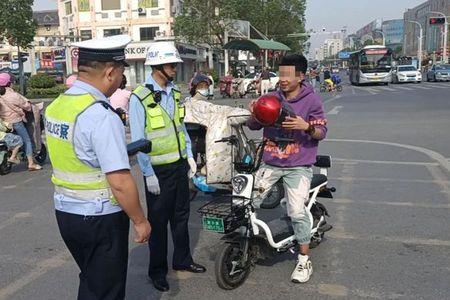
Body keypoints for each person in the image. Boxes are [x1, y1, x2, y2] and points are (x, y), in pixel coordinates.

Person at [44, 35, 151, 300]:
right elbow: (119, 181)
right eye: (121, 72)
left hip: (66, 212)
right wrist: (140, 221)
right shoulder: (101, 115)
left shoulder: (57, 106)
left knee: (92, 280)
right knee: (106, 290)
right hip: (99, 217)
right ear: (110, 72)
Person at [129, 41, 206, 293]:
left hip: (178, 165)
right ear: (158, 66)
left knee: (181, 216)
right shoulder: (139, 97)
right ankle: (157, 272)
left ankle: (182, 260)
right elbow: (139, 140)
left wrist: (189, 156)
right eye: (172, 64)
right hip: (158, 172)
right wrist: (147, 174)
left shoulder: (174, 92)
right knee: (159, 223)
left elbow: (180, 126)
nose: (175, 68)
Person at [247, 54, 328, 284]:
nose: (282, 79)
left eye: (287, 75)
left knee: (296, 211)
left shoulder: (311, 101)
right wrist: (256, 112)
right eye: (280, 74)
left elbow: (321, 132)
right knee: (247, 201)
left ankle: (303, 260)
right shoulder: (271, 97)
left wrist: (306, 126)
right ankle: (246, 242)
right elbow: (253, 125)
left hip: (298, 166)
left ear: (301, 76)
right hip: (270, 163)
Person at [184, 74, 250, 183]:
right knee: (192, 163)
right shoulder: (192, 104)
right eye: (201, 87)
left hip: (202, 135)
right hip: (192, 137)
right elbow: (218, 110)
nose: (204, 89)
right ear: (194, 88)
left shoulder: (202, 103)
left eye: (206, 87)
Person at [0, 73, 42, 171]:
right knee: (27, 141)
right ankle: (31, 163)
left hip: (4, 123)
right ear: (9, 83)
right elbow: (27, 106)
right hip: (16, 122)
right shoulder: (13, 95)